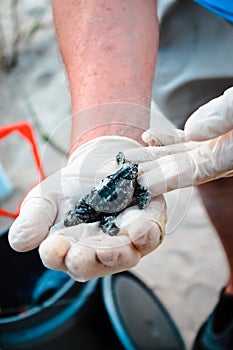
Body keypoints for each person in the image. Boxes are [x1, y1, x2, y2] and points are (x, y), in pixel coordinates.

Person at [8, 1, 233, 349]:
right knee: (204, 154)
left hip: (112, 197)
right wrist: (105, 131)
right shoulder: (130, 178)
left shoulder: (135, 183)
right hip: (206, 12)